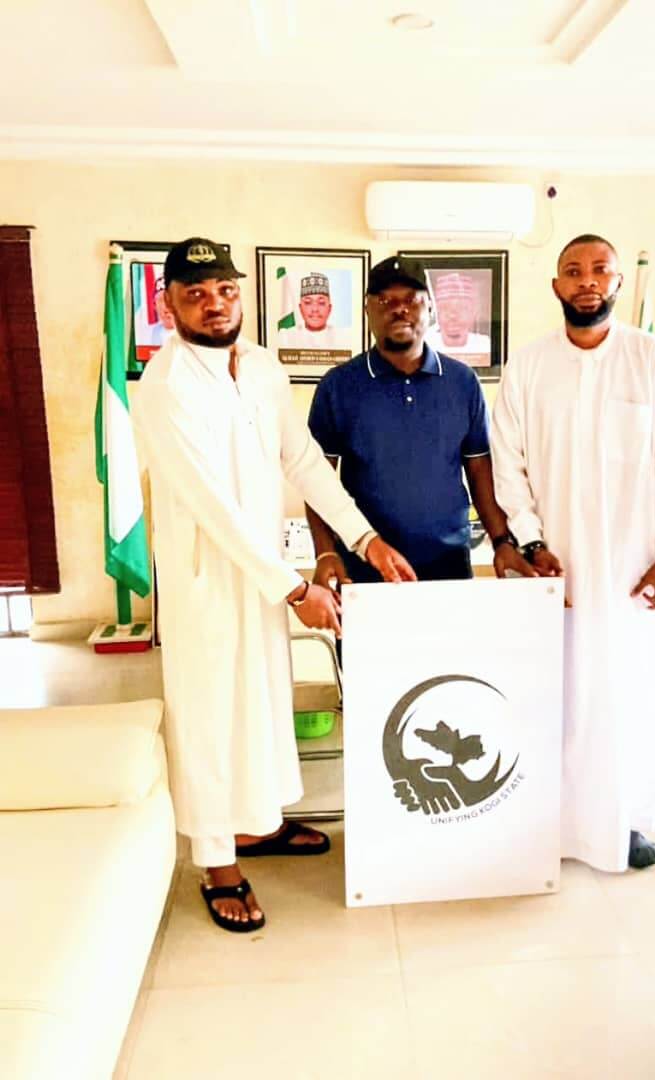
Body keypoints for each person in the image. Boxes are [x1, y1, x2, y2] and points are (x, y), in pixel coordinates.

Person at [132, 238, 414, 933]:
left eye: (225, 290)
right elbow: (213, 508)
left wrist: (364, 539)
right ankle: (217, 861)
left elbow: (304, 460)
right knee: (210, 716)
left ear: (241, 295)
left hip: (261, 574)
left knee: (260, 704)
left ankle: (258, 823)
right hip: (207, 583)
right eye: (196, 293)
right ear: (169, 304)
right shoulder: (165, 386)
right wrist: (294, 590)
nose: (215, 303)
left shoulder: (261, 366)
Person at [490, 233, 655, 874]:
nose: (587, 281)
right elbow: (508, 463)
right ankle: (551, 825)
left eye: (600, 270)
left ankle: (622, 823)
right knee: (557, 695)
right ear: (556, 286)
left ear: (617, 283)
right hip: (556, 565)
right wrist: (531, 541)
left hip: (632, 568)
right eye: (573, 271)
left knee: (626, 695)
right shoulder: (528, 366)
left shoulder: (651, 358)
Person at [306, 255, 536, 588]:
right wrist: (325, 553)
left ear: (430, 308)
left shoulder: (462, 383)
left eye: (411, 300)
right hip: (365, 566)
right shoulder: (338, 386)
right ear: (367, 310)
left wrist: (502, 541)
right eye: (385, 301)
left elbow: (479, 473)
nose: (399, 309)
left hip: (448, 566)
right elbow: (316, 479)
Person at [277, 271, 353, 353]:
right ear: (300, 308)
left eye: (321, 303)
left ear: (329, 308)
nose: (315, 309)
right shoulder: (285, 337)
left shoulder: (343, 337)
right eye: (308, 302)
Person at [425, 271, 491, 364]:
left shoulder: (484, 344)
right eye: (445, 308)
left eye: (461, 308)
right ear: (436, 312)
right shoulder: (425, 344)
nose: (452, 316)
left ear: (473, 312)